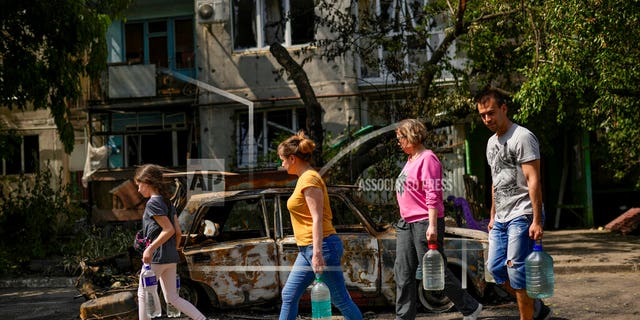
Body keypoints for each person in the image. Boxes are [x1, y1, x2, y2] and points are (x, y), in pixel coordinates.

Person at [393, 119, 482, 320]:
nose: (399, 142)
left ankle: (470, 307)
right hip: (406, 223)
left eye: (401, 138)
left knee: (434, 271)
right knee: (403, 273)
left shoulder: (428, 159)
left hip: (425, 221)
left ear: (412, 136)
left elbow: (433, 194)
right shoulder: (411, 160)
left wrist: (432, 225)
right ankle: (403, 318)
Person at [476, 88, 552, 320]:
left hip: (523, 214)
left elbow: (534, 179)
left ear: (504, 109)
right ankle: (536, 304)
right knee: (496, 268)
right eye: (482, 115)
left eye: (491, 113)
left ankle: (526, 316)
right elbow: (495, 182)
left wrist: (537, 220)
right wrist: (492, 216)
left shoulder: (522, 137)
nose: (487, 119)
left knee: (516, 271)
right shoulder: (491, 143)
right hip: (501, 217)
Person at [277, 131, 363, 320]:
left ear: (292, 158)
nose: (281, 164)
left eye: (282, 159)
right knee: (289, 295)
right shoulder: (304, 178)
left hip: (321, 247)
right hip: (307, 249)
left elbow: (317, 218)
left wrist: (317, 254)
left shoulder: (309, 179)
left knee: (341, 300)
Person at [135, 164, 207, 320]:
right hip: (170, 257)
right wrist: (172, 251)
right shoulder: (168, 202)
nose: (138, 189)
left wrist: (150, 249)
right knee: (172, 298)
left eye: (139, 184)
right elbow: (179, 232)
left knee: (143, 294)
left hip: (156, 258)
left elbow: (169, 230)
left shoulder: (153, 203)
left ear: (147, 182)